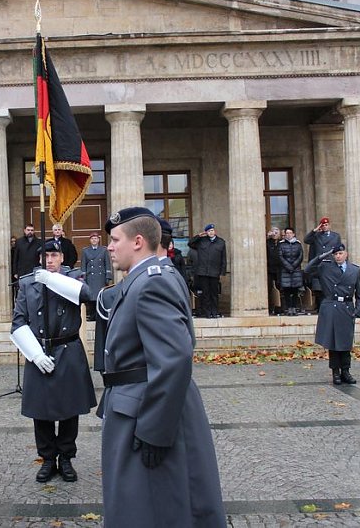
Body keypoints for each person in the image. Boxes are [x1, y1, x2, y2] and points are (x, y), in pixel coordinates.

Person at [99, 207, 226, 527]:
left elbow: (173, 359)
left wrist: (155, 431)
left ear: (137, 241)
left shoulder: (152, 282)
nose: (110, 247)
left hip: (146, 411)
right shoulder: (145, 278)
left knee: (154, 509)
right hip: (137, 403)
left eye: (115, 240)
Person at [10, 239, 97, 483]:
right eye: (45, 256)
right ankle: (48, 459)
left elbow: (87, 295)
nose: (49, 260)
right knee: (42, 410)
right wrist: (34, 354)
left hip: (67, 349)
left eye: (54, 255)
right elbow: (18, 322)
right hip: (40, 349)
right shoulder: (28, 283)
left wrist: (53, 280)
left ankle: (66, 457)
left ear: (62, 257)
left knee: (70, 409)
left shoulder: (73, 277)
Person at [304, 244, 360, 385]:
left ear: (346, 254)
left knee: (345, 343)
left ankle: (346, 371)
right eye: (335, 254)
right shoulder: (326, 267)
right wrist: (323, 255)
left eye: (340, 253)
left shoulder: (354, 270)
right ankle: (335, 372)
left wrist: (357, 311)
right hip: (331, 306)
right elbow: (308, 269)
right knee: (333, 343)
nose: (338, 256)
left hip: (347, 308)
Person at [188, 223, 226, 318]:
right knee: (205, 293)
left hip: (214, 272)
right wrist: (198, 236)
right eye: (209, 231)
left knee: (214, 293)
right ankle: (207, 313)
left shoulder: (221, 242)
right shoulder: (201, 241)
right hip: (203, 272)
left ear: (215, 231)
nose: (211, 232)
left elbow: (223, 258)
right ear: (206, 232)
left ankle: (214, 311)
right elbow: (190, 243)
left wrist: (222, 271)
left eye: (212, 230)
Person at [303, 217, 342, 310]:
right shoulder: (317, 235)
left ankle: (331, 307)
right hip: (320, 264)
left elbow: (339, 249)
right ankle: (321, 307)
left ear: (329, 225)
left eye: (326, 225)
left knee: (330, 287)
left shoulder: (336, 236)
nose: (325, 227)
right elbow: (306, 240)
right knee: (320, 288)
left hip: (331, 263)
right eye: (323, 225)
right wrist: (315, 230)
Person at [80, 232, 111, 322]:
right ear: (90, 240)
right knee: (91, 297)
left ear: (98, 240)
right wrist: (83, 278)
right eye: (92, 238)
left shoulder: (104, 250)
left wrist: (108, 276)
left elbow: (107, 264)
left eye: (96, 238)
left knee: (99, 296)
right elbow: (83, 265)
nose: (94, 240)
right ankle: (91, 315)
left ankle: (99, 315)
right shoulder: (85, 251)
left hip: (100, 277)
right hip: (90, 277)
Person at [278, 227, 305, 316]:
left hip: (296, 270)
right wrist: (288, 266)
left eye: (290, 233)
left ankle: (294, 307)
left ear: (293, 234)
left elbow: (300, 256)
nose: (288, 235)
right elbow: (280, 256)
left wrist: (293, 266)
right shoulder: (281, 244)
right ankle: (288, 308)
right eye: (287, 233)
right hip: (285, 270)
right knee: (287, 290)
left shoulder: (298, 244)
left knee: (295, 290)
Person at [266, 227, 282, 313]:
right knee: (269, 288)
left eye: (276, 232)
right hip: (269, 269)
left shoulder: (281, 243)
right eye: (273, 232)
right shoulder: (268, 243)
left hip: (280, 269)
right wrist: (267, 237)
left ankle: (279, 308)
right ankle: (269, 307)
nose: (275, 234)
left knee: (280, 288)